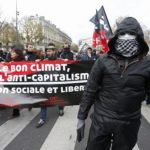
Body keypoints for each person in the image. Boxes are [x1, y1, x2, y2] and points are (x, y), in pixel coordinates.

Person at [77, 17, 150, 150]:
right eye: (122, 33)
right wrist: (81, 117)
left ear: (138, 37)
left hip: (129, 123)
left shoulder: (147, 63)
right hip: (102, 119)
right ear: (117, 36)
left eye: (132, 34)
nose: (126, 37)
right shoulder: (103, 60)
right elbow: (90, 90)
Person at [36, 43, 64, 128]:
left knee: (59, 98)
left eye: (49, 51)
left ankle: (61, 109)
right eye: (47, 51)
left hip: (57, 84)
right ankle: (42, 118)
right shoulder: (43, 62)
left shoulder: (60, 60)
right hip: (47, 85)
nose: (48, 53)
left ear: (54, 51)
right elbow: (39, 72)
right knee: (44, 101)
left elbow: (65, 71)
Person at [9, 45, 25, 117]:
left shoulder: (23, 62)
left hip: (21, 83)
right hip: (13, 83)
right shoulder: (10, 62)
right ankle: (16, 112)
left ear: (17, 54)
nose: (11, 54)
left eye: (13, 53)